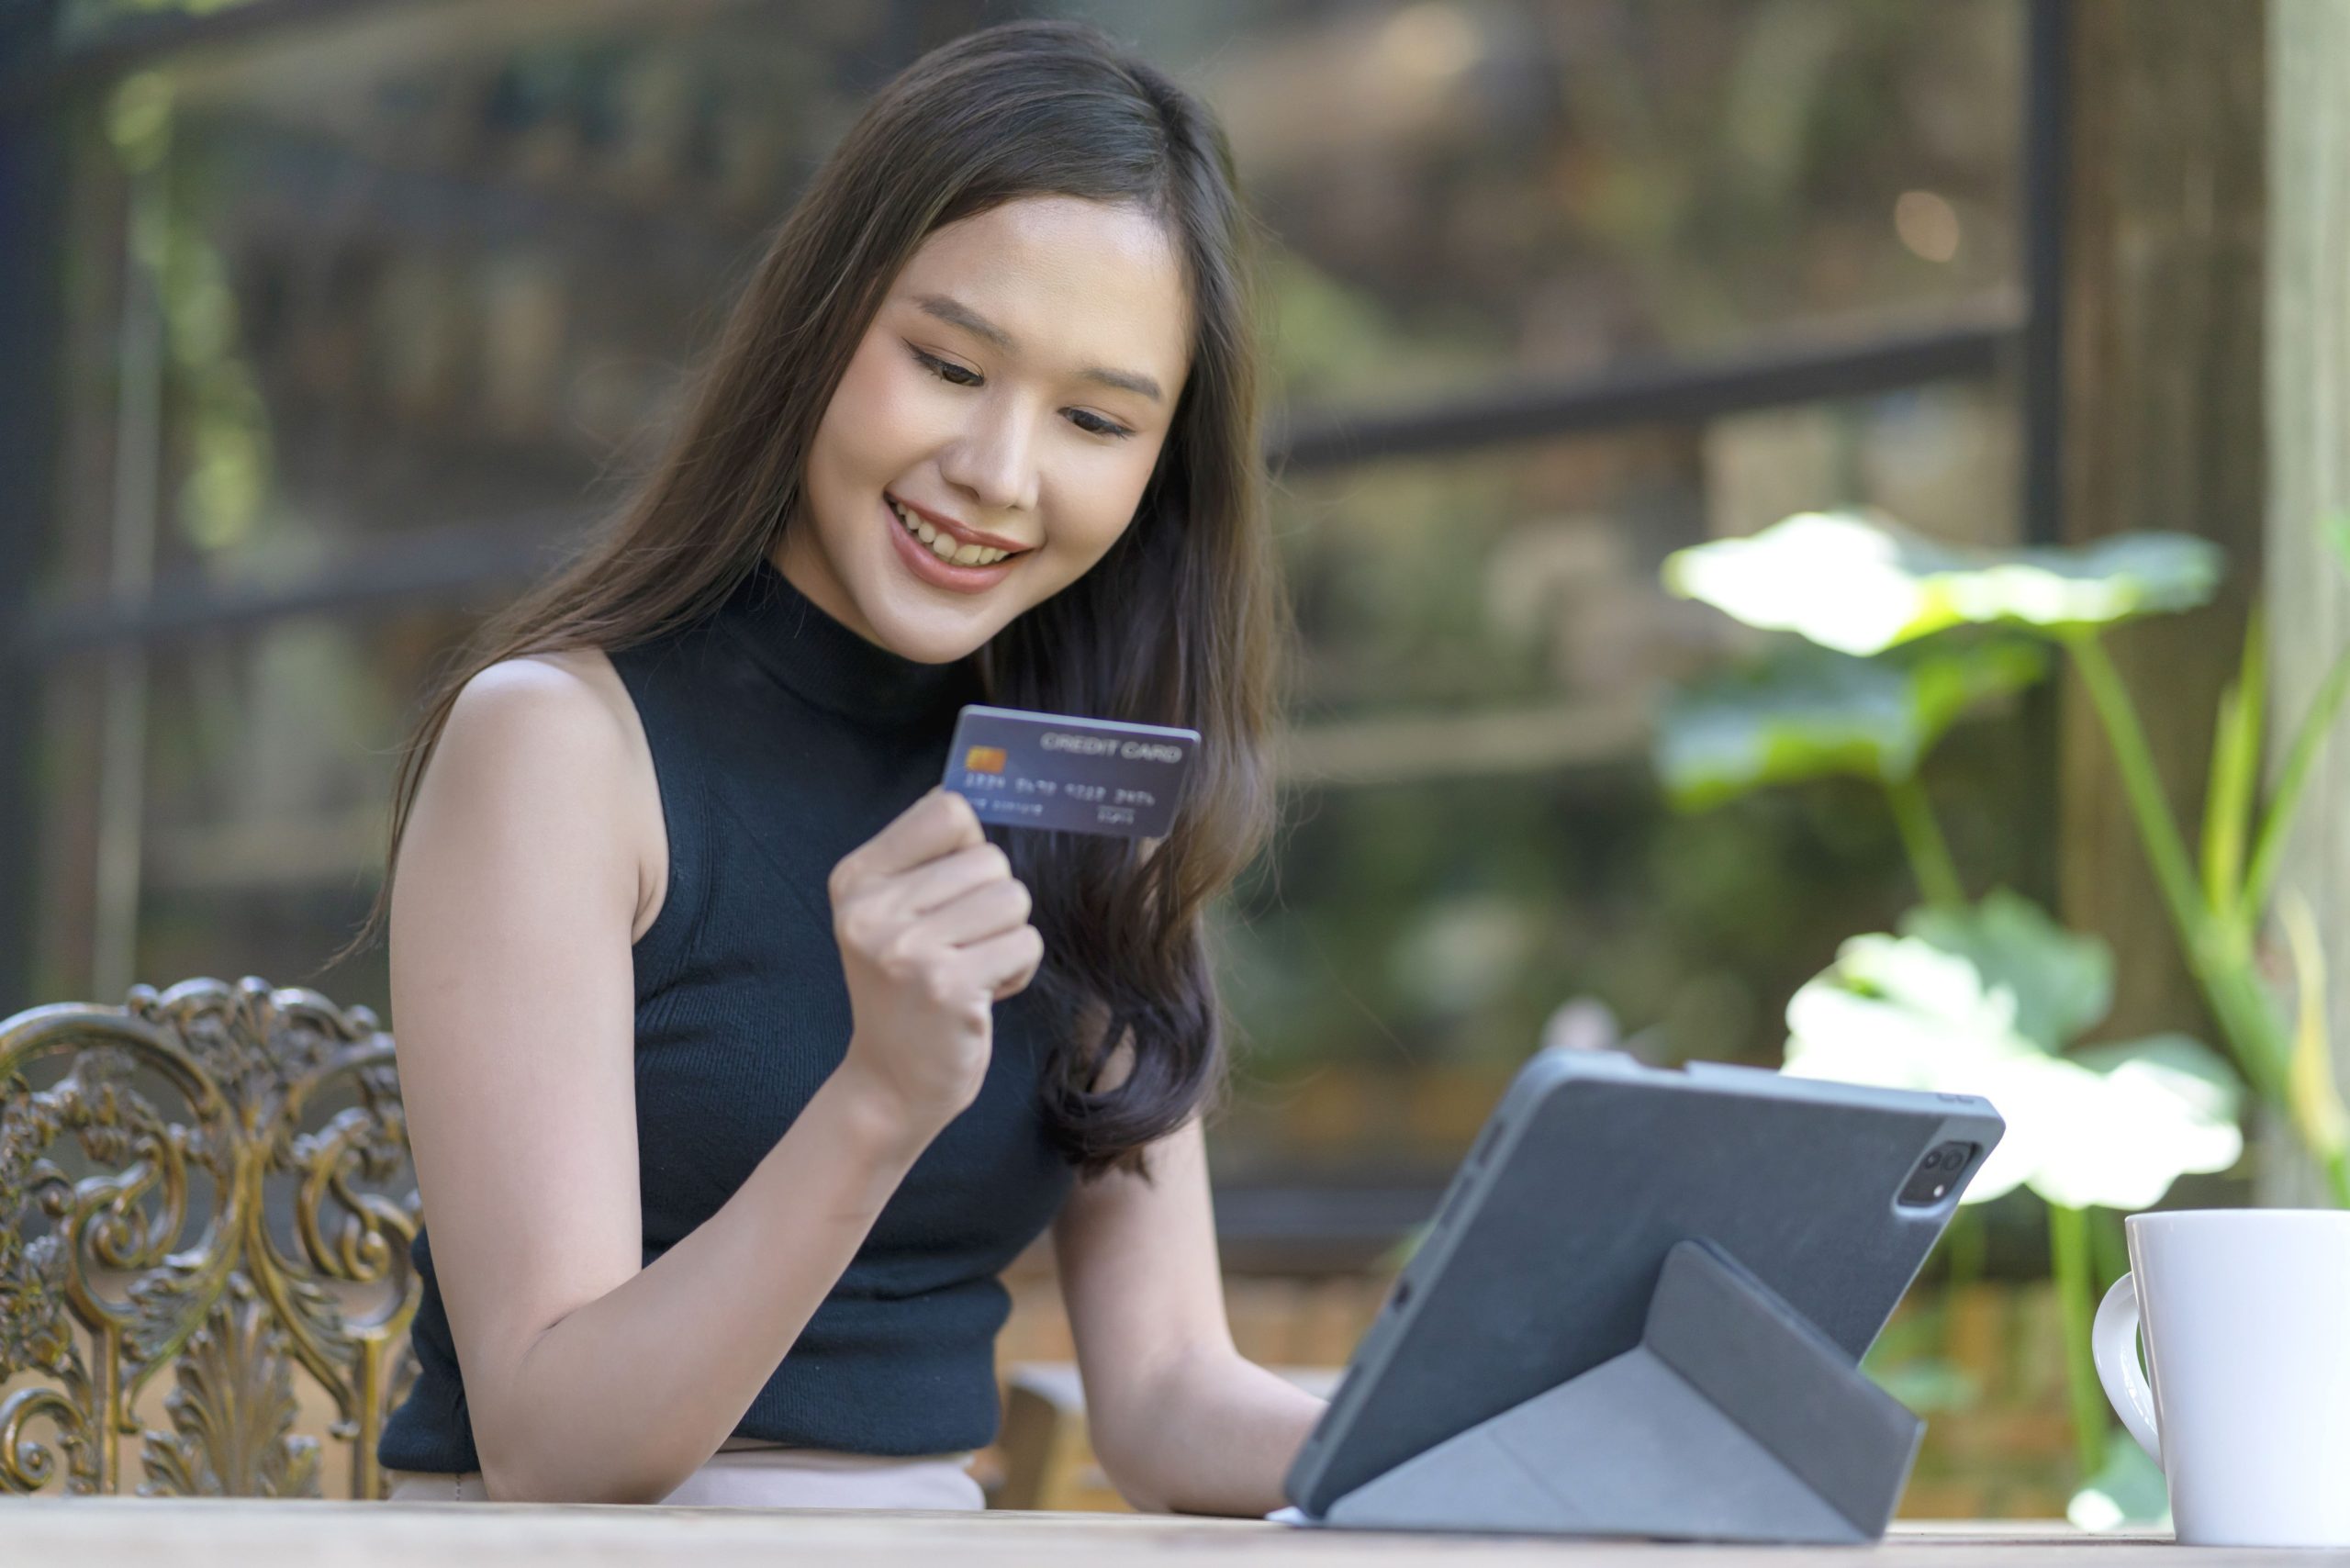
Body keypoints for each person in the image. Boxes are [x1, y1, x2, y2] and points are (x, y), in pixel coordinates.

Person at [359, 18, 1326, 1512]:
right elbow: (552, 1443)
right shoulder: (558, 747)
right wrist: (880, 1098)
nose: (999, 474)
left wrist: (1495, 1446)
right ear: (822, 326)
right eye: (949, 365)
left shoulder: (1081, 795)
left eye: (1091, 418)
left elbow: (1168, 1398)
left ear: (1158, 468)